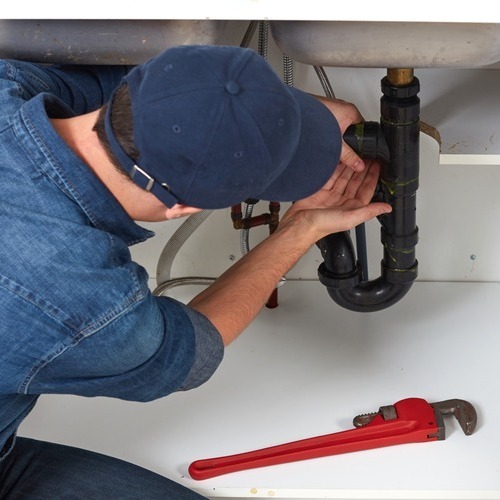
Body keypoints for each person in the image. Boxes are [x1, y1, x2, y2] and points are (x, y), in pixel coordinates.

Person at [0, 44, 391, 497]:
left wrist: (268, 107)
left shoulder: (12, 84)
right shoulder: (88, 305)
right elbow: (188, 352)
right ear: (183, 207)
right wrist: (299, 229)